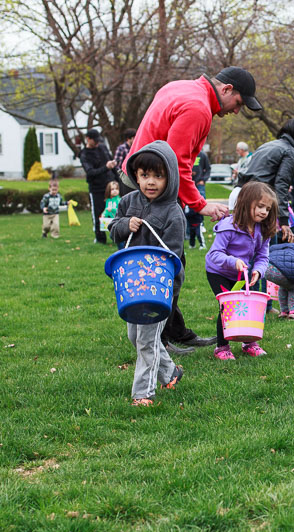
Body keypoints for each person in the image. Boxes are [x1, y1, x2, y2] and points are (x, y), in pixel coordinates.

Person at [126, 66, 261, 352]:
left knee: (171, 262)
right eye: (238, 104)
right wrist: (200, 204)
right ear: (226, 90)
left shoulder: (179, 87)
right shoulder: (198, 107)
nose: (236, 111)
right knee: (162, 266)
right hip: (154, 187)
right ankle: (157, 341)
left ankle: (175, 331)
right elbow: (174, 165)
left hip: (142, 178)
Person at [108, 141, 186, 407]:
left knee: (146, 340)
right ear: (136, 176)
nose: (150, 182)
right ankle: (171, 372)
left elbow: (173, 255)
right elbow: (113, 227)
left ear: (169, 177)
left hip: (158, 287)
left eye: (158, 176)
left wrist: (170, 291)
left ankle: (143, 393)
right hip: (131, 284)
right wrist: (124, 224)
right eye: (144, 176)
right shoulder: (129, 201)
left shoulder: (173, 213)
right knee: (135, 336)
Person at [205, 182, 278, 360]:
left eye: (267, 209)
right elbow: (214, 254)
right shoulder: (229, 226)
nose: (264, 212)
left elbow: (262, 256)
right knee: (228, 307)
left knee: (247, 306)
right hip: (218, 272)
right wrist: (233, 261)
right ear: (246, 203)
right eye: (260, 206)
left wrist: (259, 271)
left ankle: (249, 343)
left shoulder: (262, 229)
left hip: (243, 274)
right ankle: (222, 348)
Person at [233, 119, 294, 245]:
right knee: (267, 247)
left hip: (245, 194)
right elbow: (281, 185)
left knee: (248, 244)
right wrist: (284, 222)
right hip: (260, 198)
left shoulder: (268, 145)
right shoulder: (291, 152)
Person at [79, 129, 116, 244]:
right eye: (94, 141)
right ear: (88, 139)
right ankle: (100, 238)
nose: (97, 143)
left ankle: (117, 236)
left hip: (109, 185)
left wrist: (117, 177)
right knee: (98, 213)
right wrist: (106, 167)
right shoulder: (84, 154)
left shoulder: (102, 148)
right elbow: (90, 172)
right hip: (96, 188)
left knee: (115, 210)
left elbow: (111, 163)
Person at [101, 181, 123, 248]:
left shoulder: (119, 200)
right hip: (112, 220)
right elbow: (106, 209)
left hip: (119, 220)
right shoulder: (108, 200)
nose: (115, 191)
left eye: (116, 189)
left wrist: (112, 209)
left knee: (120, 235)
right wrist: (104, 214)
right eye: (112, 189)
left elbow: (119, 210)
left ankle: (122, 247)